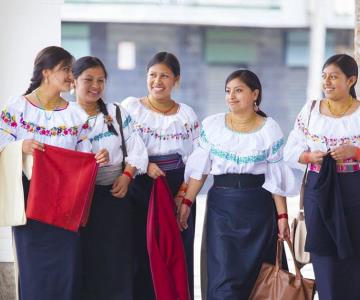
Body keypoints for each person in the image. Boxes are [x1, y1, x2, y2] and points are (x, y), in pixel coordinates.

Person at [178, 69, 297, 300]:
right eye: (228, 91)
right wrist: (186, 202)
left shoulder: (269, 128)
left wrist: (282, 217)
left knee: (259, 280)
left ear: (255, 94)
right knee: (223, 278)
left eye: (238, 90)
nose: (231, 96)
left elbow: (275, 179)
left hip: (259, 210)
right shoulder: (212, 125)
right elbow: (200, 171)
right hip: (222, 209)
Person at [0, 46, 108, 300]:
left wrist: (98, 158)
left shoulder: (75, 114)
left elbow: (84, 156)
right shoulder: (17, 109)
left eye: (71, 69)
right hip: (31, 202)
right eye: (66, 69)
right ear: (46, 73)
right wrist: (20, 147)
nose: (72, 75)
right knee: (33, 270)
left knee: (66, 270)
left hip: (66, 202)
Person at [122, 51, 199, 300]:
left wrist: (184, 195)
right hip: (139, 186)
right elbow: (122, 146)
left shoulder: (187, 115)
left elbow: (196, 159)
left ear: (176, 79)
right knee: (138, 252)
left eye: (164, 76)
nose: (157, 81)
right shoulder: (130, 108)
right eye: (153, 75)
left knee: (175, 254)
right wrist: (144, 166)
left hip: (176, 187)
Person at [284, 53, 360, 300]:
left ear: (351, 80)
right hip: (319, 192)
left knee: (354, 261)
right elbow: (290, 150)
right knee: (324, 261)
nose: (327, 82)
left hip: (354, 191)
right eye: (324, 76)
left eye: (334, 77)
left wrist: (355, 152)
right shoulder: (311, 110)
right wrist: (308, 157)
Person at [72, 56, 148, 300]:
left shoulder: (116, 111)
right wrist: (89, 161)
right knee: (84, 260)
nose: (95, 85)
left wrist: (127, 175)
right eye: (88, 80)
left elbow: (137, 149)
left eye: (101, 80)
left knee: (117, 260)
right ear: (73, 81)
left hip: (115, 196)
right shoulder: (65, 116)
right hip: (80, 200)